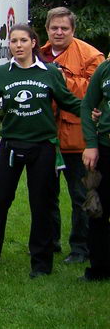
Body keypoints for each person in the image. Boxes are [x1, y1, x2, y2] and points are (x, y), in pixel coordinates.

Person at [0, 24, 81, 278]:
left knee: (42, 205)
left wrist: (93, 112)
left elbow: (68, 102)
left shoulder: (49, 73)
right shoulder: (3, 73)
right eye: (13, 41)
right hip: (11, 145)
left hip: (43, 147)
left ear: (33, 43)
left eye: (23, 40)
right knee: (0, 200)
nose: (17, 45)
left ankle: (41, 264)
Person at [39, 7, 104, 263]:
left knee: (81, 196)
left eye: (64, 28)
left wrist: (61, 76)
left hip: (78, 139)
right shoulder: (40, 54)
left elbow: (95, 93)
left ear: (73, 30)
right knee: (46, 194)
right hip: (46, 137)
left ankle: (81, 248)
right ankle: (50, 242)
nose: (58, 32)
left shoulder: (91, 56)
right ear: (47, 29)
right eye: (54, 28)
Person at [79, 57, 110, 281]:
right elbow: (87, 105)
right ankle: (98, 269)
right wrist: (91, 144)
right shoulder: (105, 70)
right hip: (105, 149)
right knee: (98, 210)